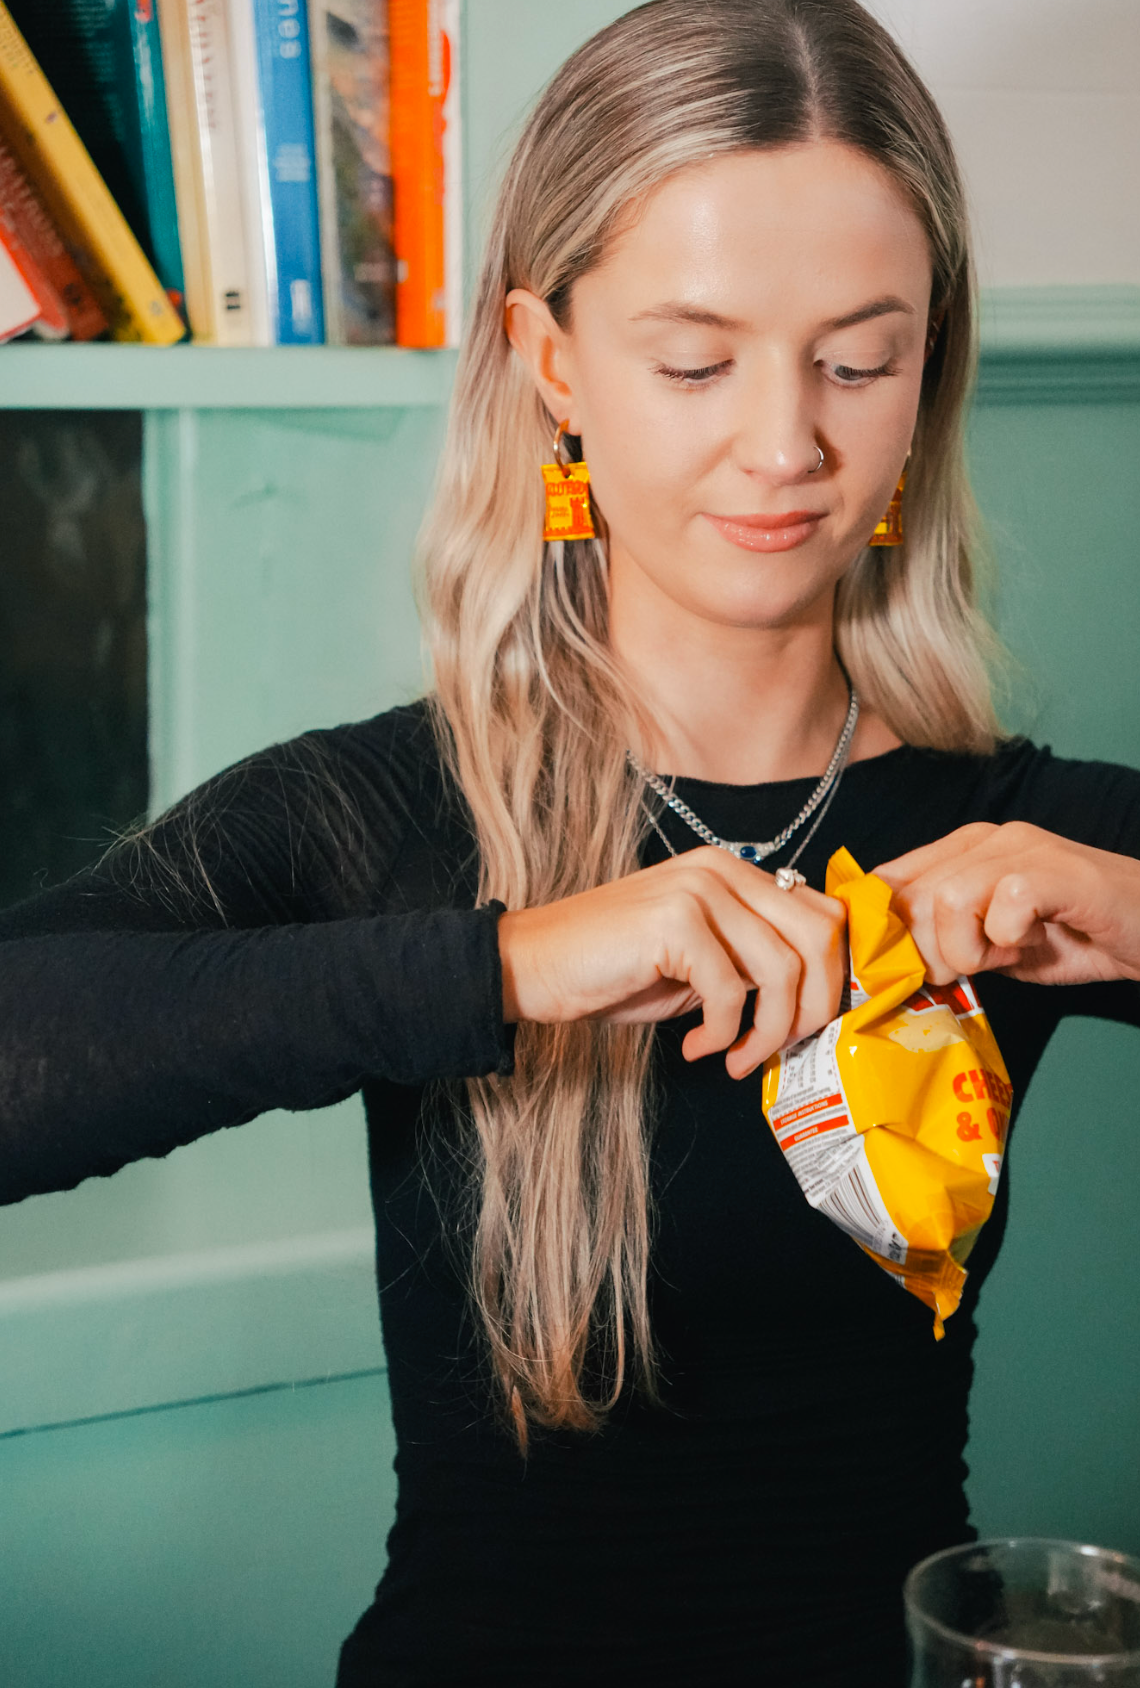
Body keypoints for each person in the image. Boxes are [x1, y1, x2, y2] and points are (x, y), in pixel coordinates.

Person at [1, 1, 1138, 1682]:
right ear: (555, 366)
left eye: (857, 357)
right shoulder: (384, 809)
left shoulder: (1017, 841)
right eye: (694, 360)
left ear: (926, 373)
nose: (785, 444)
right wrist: (515, 960)